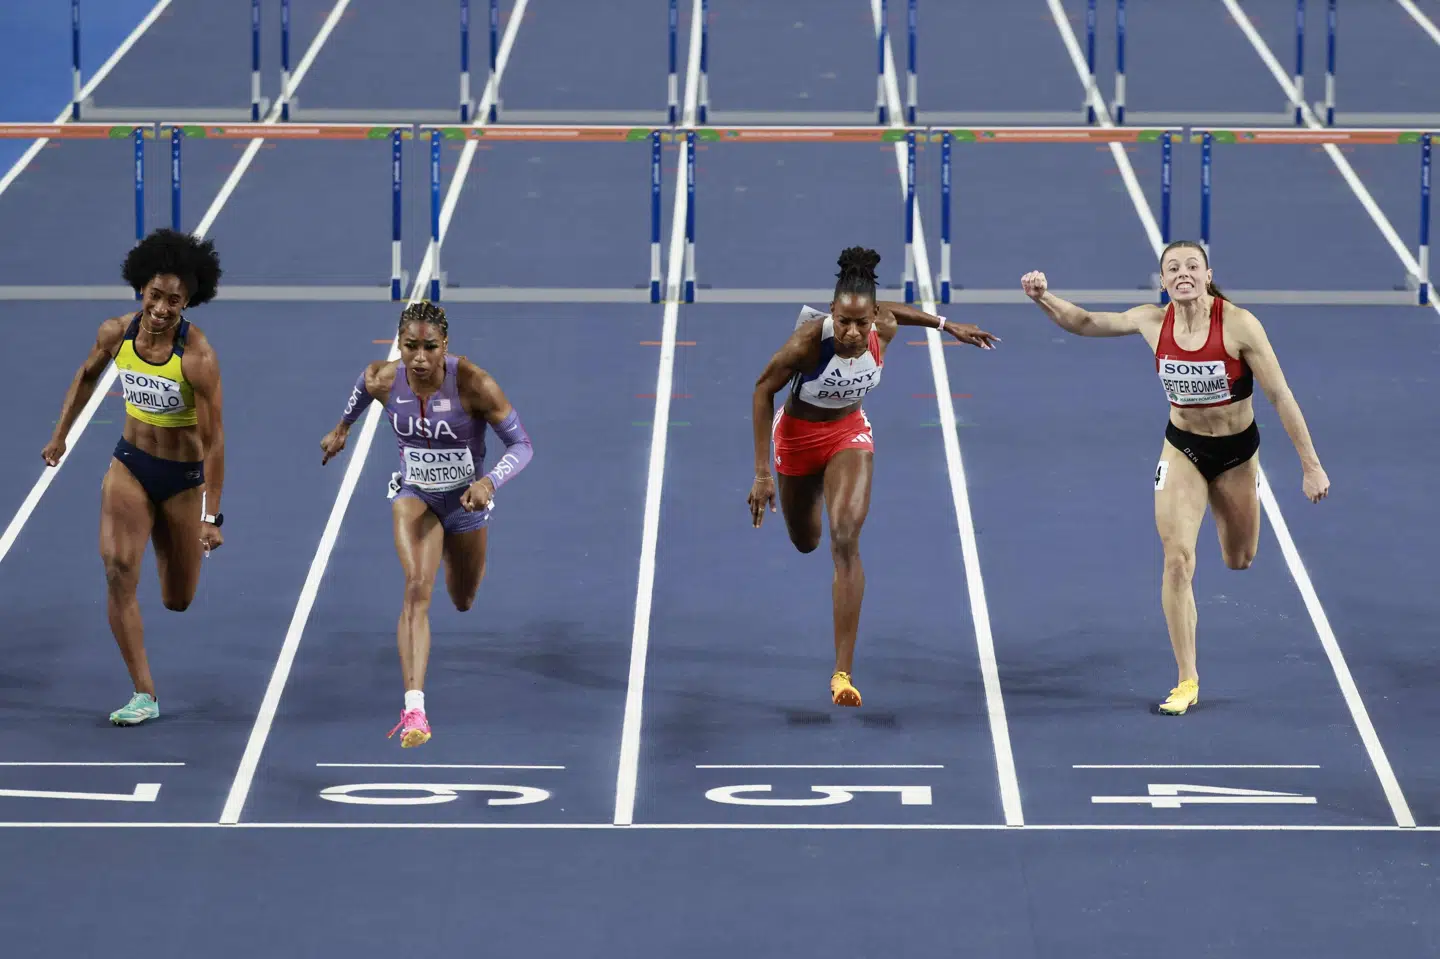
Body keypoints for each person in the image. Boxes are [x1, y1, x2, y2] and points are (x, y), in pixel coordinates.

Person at [1021, 240, 1330, 716]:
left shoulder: (1240, 325)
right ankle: (1187, 678)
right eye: (1173, 268)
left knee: (1239, 559)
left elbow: (1281, 396)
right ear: (1162, 281)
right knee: (1177, 560)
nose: (1182, 273)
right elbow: (1084, 322)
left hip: (1236, 454)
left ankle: (1239, 513)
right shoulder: (1151, 320)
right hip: (1182, 448)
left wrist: (1310, 465)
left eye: (1192, 266)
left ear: (1207, 275)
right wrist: (1044, 297)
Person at [748, 247, 998, 707]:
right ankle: (818, 484)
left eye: (861, 323)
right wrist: (763, 472)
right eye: (843, 320)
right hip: (798, 441)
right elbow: (763, 390)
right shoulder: (807, 343)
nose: (851, 332)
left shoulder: (882, 326)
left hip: (848, 433)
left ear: (873, 319)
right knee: (807, 541)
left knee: (846, 539)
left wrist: (946, 326)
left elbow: (896, 312)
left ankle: (842, 673)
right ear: (832, 313)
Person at [320, 301, 534, 747]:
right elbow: (363, 387)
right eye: (410, 346)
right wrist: (342, 428)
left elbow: (522, 445)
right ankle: (414, 710)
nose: (419, 358)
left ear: (445, 347)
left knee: (462, 599)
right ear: (398, 344)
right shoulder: (383, 377)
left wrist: (489, 482)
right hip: (414, 494)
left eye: (429, 348)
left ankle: (456, 589)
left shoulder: (475, 383)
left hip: (466, 503)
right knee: (417, 586)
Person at [41, 229, 227, 726]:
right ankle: (143, 692)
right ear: (140, 290)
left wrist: (212, 514)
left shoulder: (197, 358)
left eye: (176, 301)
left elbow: (214, 443)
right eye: (156, 296)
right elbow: (85, 377)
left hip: (184, 479)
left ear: (189, 303)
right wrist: (60, 434)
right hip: (131, 465)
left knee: (178, 599)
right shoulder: (115, 333)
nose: (163, 308)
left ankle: (183, 559)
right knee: (118, 570)